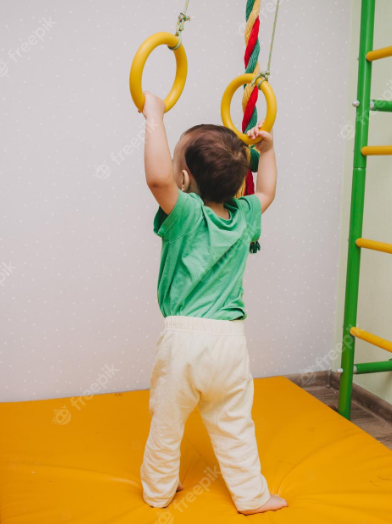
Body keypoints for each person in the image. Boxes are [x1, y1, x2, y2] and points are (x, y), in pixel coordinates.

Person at [139, 92, 287, 515]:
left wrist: (154, 115)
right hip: (230, 345)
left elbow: (156, 180)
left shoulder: (185, 214)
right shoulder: (243, 215)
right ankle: (253, 496)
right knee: (235, 425)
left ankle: (158, 491)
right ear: (239, 183)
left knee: (166, 426)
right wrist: (270, 149)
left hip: (184, 343)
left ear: (184, 180)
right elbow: (270, 190)